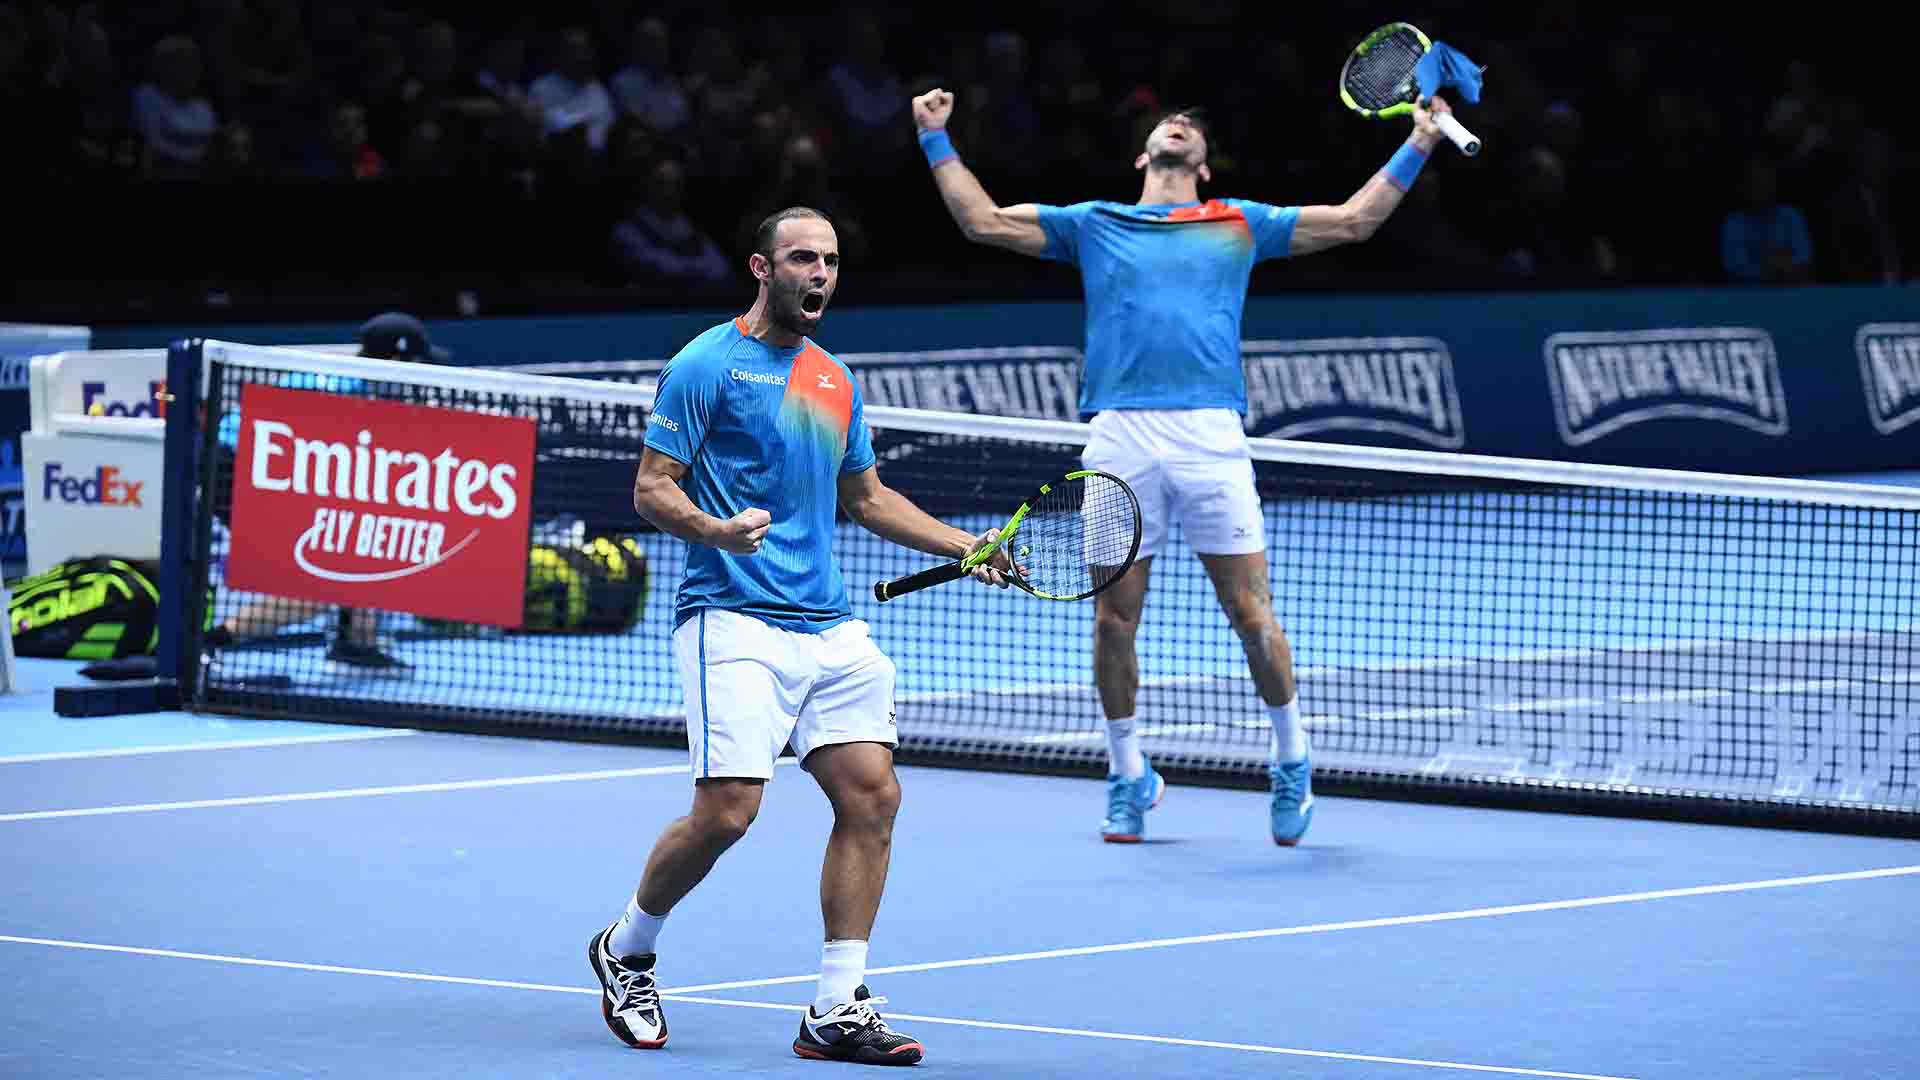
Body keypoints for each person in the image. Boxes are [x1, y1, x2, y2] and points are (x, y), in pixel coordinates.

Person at [910, 87, 1460, 846]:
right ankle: (1127, 773)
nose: (1181, 129)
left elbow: (1355, 220)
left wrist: (1423, 140)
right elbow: (983, 221)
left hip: (1210, 436)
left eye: (1195, 130)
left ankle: (1292, 757)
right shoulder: (1095, 224)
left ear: (1202, 162)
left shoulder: (1239, 222)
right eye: (1170, 126)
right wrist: (934, 136)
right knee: (1112, 620)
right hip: (1119, 437)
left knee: (1250, 615)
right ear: (1145, 154)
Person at [587, 206, 1009, 1065]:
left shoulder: (835, 379)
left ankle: (834, 1008)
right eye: (803, 259)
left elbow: (867, 498)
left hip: (830, 626)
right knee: (728, 815)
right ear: (761, 268)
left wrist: (965, 544)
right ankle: (628, 947)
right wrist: (715, 530)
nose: (820, 274)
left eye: (831, 262)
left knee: (872, 797)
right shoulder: (704, 365)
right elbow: (649, 490)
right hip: (732, 616)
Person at [209, 311, 451, 672]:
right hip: (236, 469)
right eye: (417, 365)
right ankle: (211, 641)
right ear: (397, 360)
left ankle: (356, 642)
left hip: (254, 465)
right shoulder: (346, 397)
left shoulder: (360, 388)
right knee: (320, 587)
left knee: (357, 546)